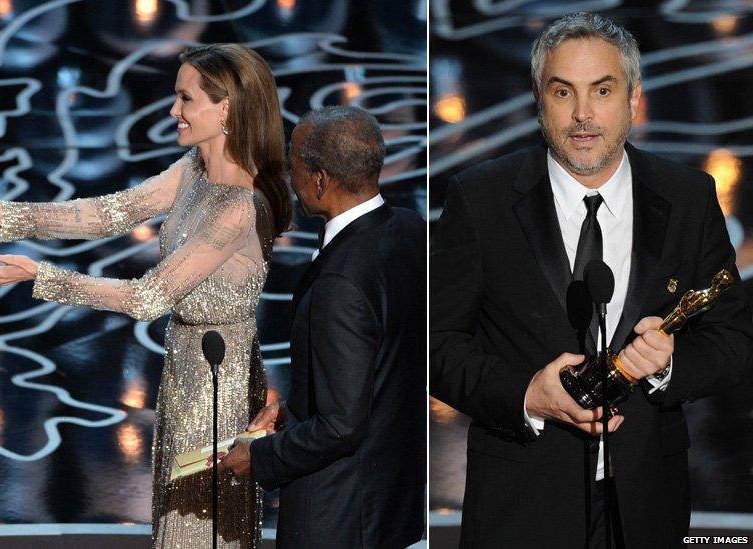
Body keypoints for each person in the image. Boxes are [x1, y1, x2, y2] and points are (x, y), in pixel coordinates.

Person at [0, 43, 291, 547]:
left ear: (225, 108)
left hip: (218, 384)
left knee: (201, 529)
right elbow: (111, 212)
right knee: (176, 521)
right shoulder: (194, 170)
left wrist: (39, 276)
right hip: (185, 370)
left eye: (185, 99)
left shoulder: (237, 206)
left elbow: (148, 297)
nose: (173, 111)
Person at [430, 12, 753, 549]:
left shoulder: (689, 196)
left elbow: (733, 340)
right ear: (539, 99)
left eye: (602, 90)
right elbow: (433, 345)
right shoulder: (480, 198)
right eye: (563, 92)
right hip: (521, 503)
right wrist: (526, 395)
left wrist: (670, 365)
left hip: (650, 505)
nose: (583, 115)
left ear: (632, 97)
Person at [219, 106, 427, 548]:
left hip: (339, 518)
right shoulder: (410, 230)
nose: (290, 181)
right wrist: (294, 409)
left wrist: (261, 455)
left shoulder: (340, 282)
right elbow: (379, 367)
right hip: (391, 505)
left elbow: (341, 425)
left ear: (320, 179)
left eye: (293, 166)